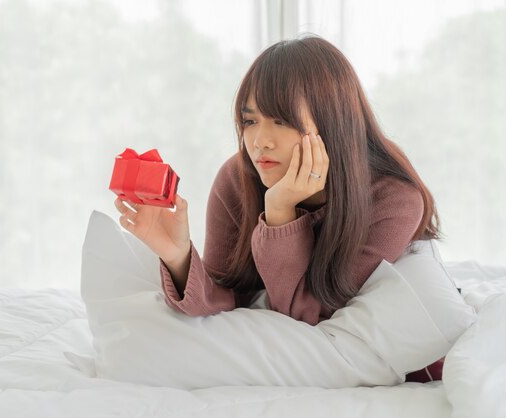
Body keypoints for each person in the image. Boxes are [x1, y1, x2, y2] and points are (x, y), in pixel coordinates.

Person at [113, 35, 442, 382]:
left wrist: (281, 212)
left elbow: (309, 317)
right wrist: (178, 255)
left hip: (411, 362)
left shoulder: (394, 199)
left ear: (332, 122)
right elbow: (226, 297)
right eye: (251, 121)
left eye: (281, 121)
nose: (260, 141)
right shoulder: (237, 179)